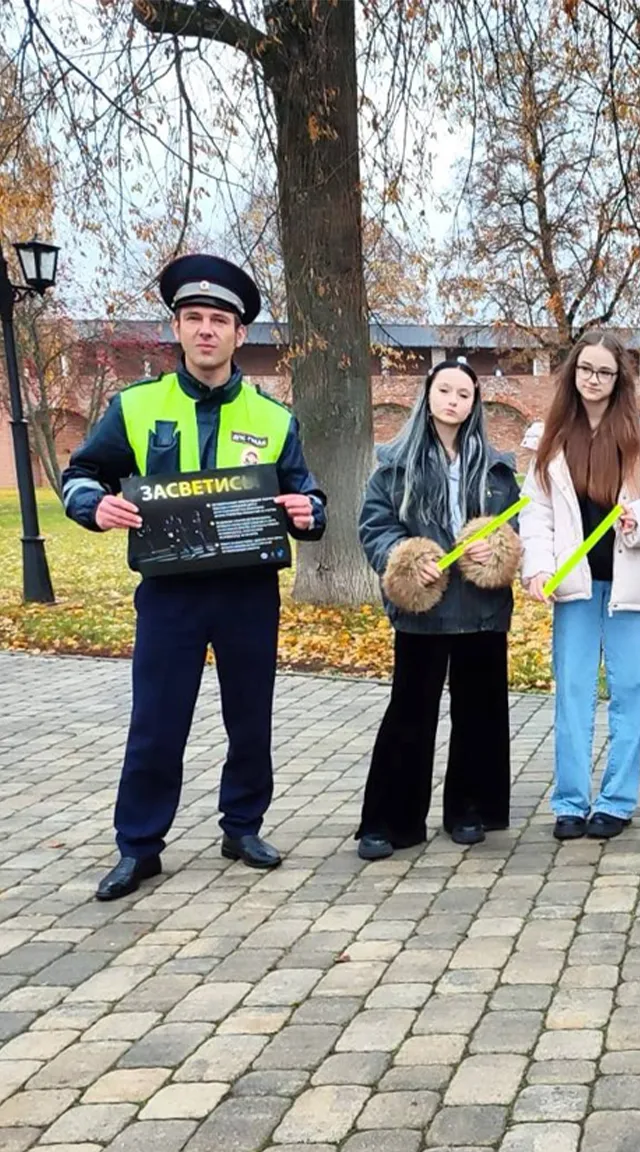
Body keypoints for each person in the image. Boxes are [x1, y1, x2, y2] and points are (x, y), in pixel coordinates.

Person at [59, 254, 326, 901]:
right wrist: (96, 506)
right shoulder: (135, 407)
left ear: (240, 333)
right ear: (176, 328)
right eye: (195, 317)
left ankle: (243, 827)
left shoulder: (274, 418)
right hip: (169, 593)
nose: (207, 330)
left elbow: (310, 499)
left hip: (247, 593)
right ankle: (139, 846)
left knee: (250, 719)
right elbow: (80, 475)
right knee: (156, 721)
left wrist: (308, 512)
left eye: (220, 320)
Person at [355, 359, 521, 860]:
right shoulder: (394, 466)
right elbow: (375, 525)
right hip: (422, 609)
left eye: (463, 394)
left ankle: (469, 809)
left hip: (481, 608)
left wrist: (494, 545)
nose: (453, 401)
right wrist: (406, 558)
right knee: (410, 712)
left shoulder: (495, 469)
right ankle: (391, 820)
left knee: (479, 711)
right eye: (444, 390)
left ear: (474, 404)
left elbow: (513, 529)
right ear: (427, 396)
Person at [519, 331, 640, 841]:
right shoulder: (551, 438)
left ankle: (616, 800)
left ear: (618, 378)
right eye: (586, 369)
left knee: (629, 690)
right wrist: (537, 567)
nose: (594, 379)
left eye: (605, 372)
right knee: (573, 692)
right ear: (573, 373)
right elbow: (536, 513)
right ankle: (570, 801)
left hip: (631, 583)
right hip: (575, 585)